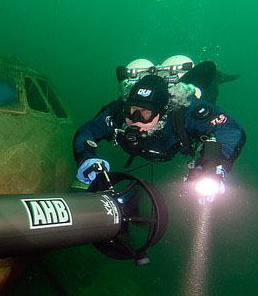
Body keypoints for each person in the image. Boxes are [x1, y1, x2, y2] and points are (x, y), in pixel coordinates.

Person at [73, 74, 246, 204]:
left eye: (145, 113)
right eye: (131, 111)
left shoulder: (185, 112)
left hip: (187, 116)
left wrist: (213, 165)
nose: (135, 119)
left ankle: (211, 79)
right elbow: (88, 130)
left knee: (206, 91)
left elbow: (230, 129)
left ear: (162, 113)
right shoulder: (117, 113)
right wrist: (86, 158)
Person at [116, 55, 240, 105]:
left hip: (188, 90)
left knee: (207, 92)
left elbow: (208, 67)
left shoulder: (186, 107)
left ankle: (215, 78)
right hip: (178, 83)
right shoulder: (125, 106)